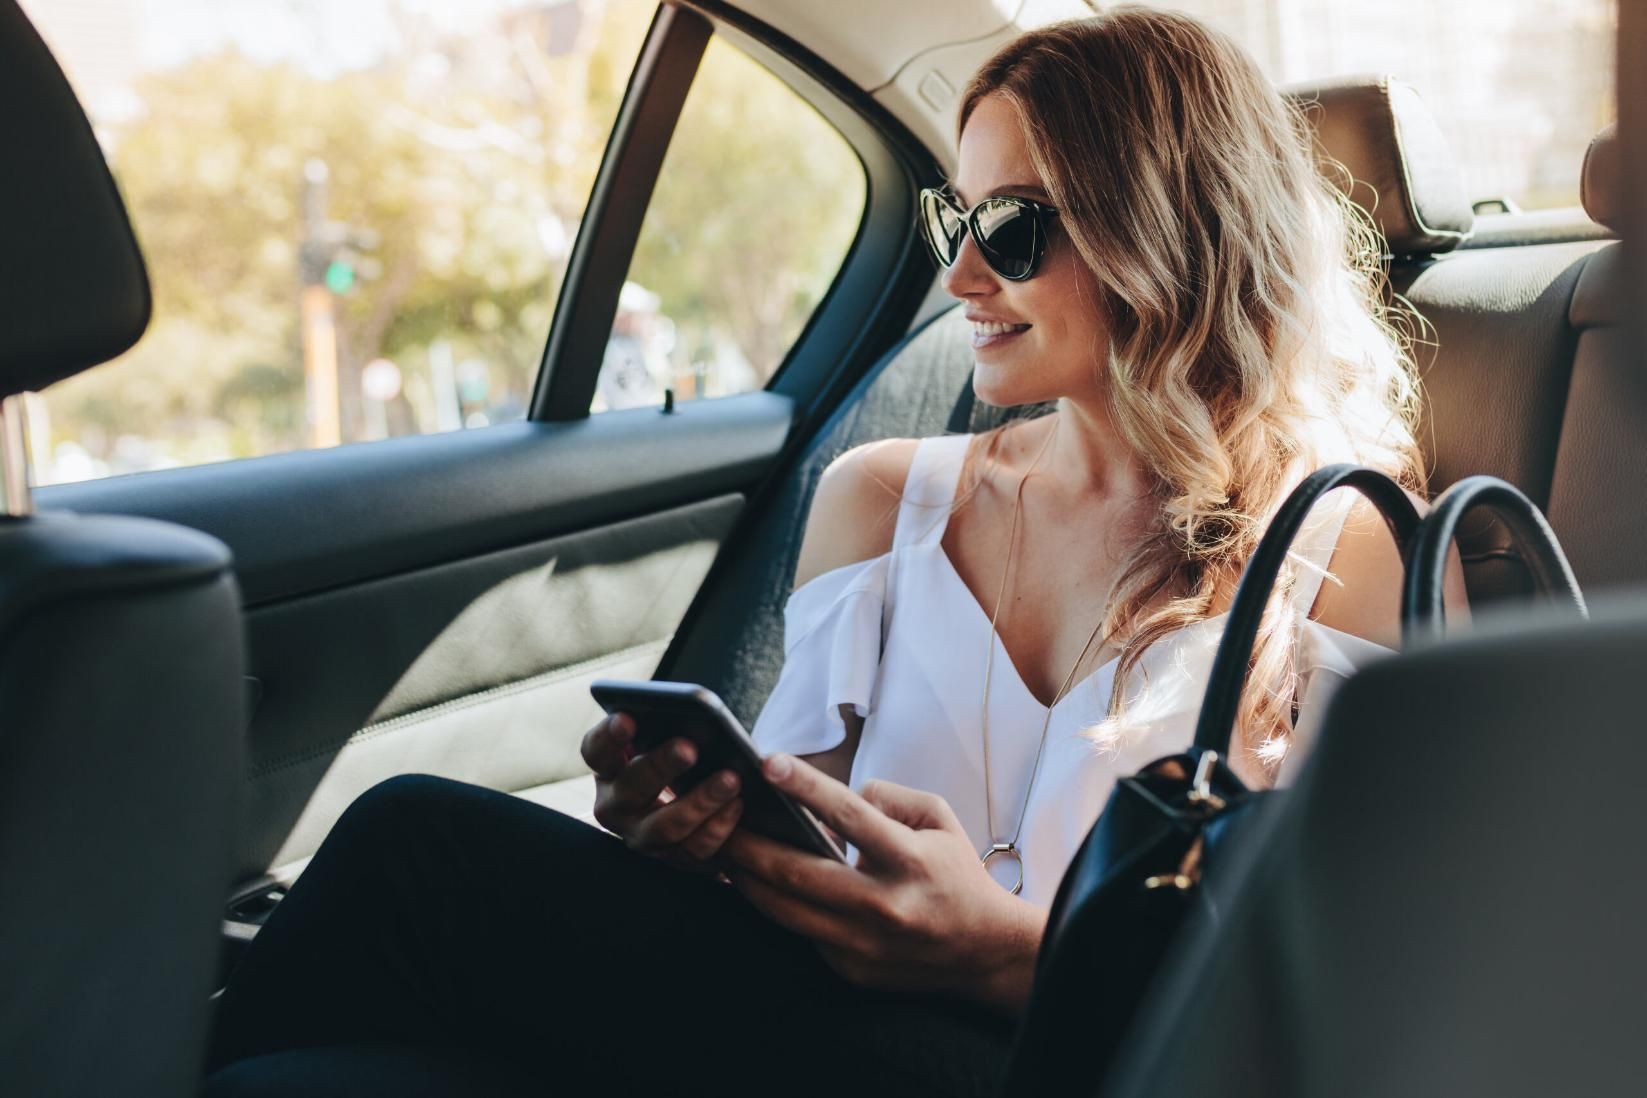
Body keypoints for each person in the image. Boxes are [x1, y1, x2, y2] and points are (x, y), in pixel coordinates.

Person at [203, 9, 1467, 1096]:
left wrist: (1004, 954)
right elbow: (790, 851)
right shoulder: (882, 499)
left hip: (1076, 1066)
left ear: (1168, 227)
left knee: (415, 847)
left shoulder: (1347, 544)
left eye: (1014, 228)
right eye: (952, 218)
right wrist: (693, 825)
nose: (962, 273)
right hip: (807, 1033)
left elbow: (1369, 992)